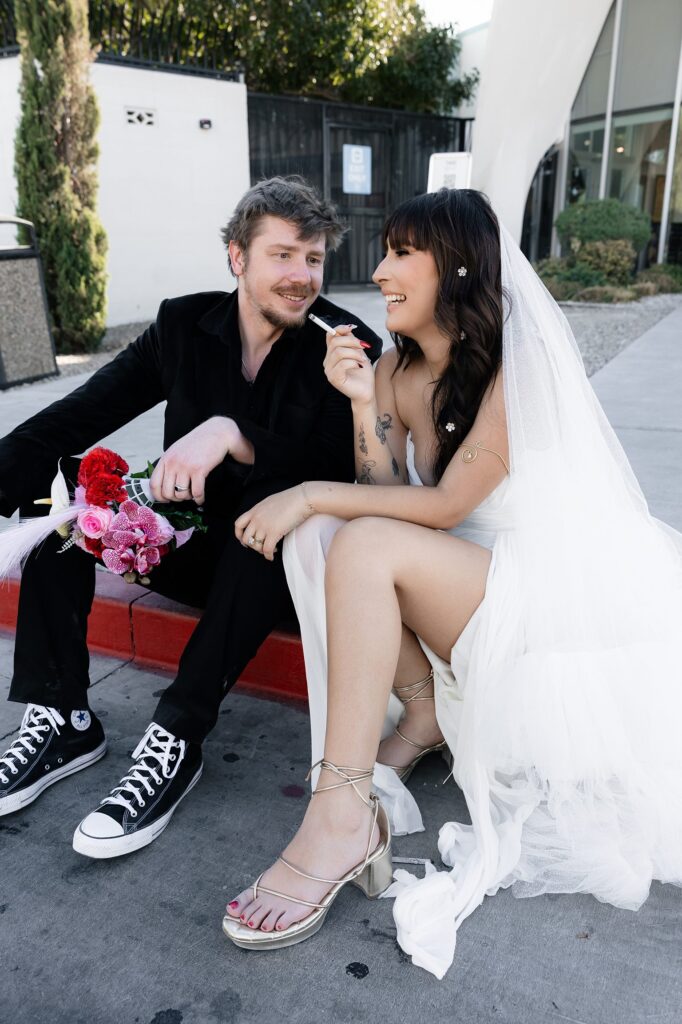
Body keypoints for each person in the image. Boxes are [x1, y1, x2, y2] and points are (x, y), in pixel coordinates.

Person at [222, 188, 682, 977]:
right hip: (466, 581)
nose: (378, 271)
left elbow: (438, 507)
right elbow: (381, 485)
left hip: (540, 588)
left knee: (346, 532)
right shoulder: (399, 368)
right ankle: (411, 721)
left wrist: (306, 490)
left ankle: (342, 814)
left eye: (402, 253)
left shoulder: (511, 363)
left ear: (459, 265)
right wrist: (365, 405)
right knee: (328, 540)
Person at [0, 175, 382, 859]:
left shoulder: (344, 346)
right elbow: (82, 412)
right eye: (283, 255)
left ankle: (176, 736)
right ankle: (61, 717)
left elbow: (344, 474)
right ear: (237, 257)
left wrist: (233, 432)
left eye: (314, 259)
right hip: (194, 546)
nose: (302, 276)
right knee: (68, 506)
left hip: (280, 569)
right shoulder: (184, 325)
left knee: (271, 524)